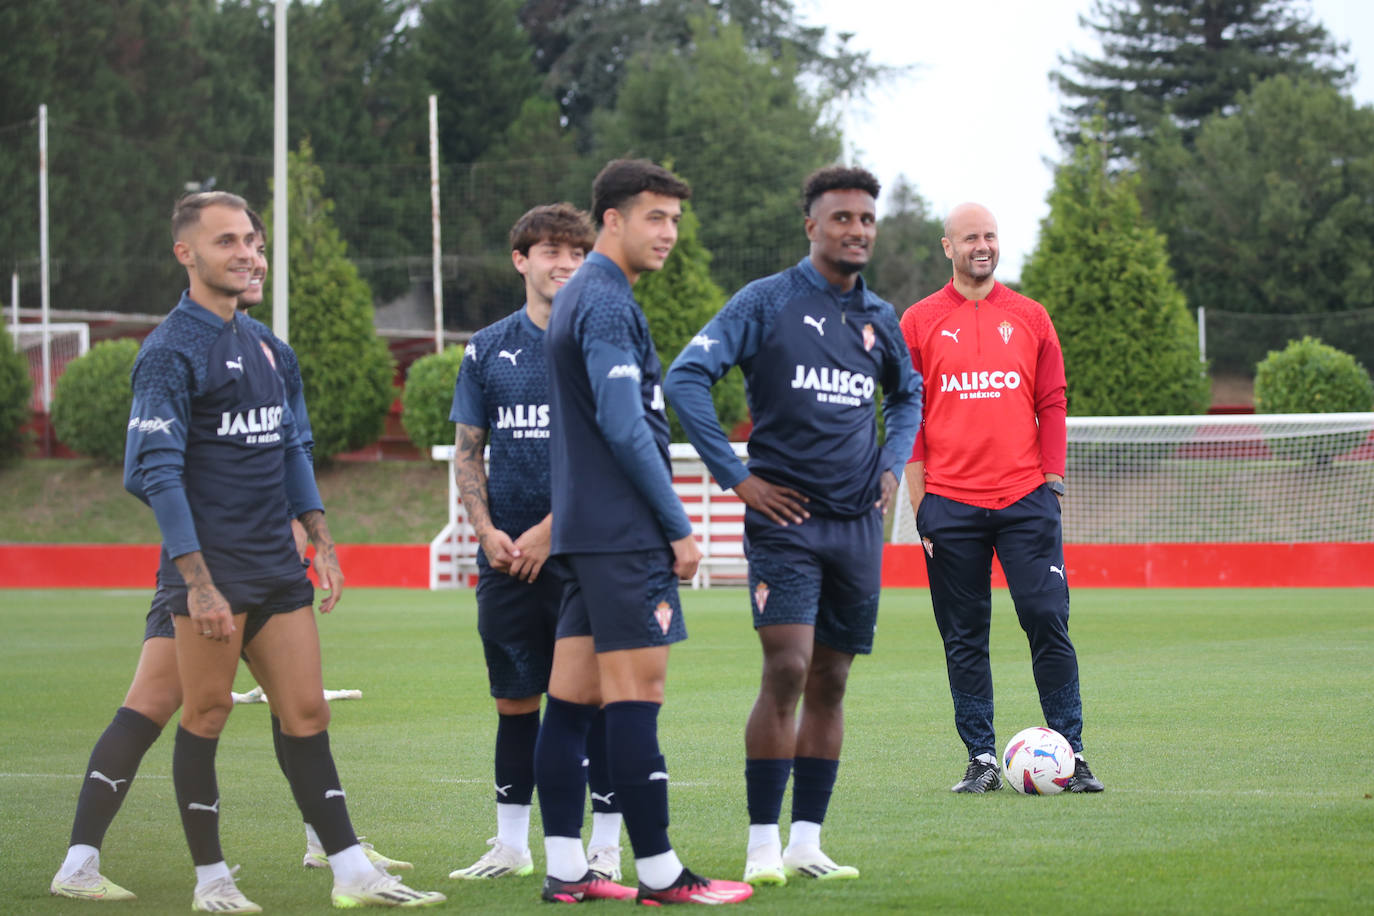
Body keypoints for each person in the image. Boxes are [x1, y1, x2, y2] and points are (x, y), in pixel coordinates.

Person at [48, 208, 409, 904]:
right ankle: (200, 879)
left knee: (302, 712)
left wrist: (321, 537)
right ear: (185, 252)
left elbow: (294, 447)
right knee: (187, 712)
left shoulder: (273, 348)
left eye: (253, 241)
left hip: (276, 568)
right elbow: (148, 472)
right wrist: (196, 578)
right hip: (206, 576)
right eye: (228, 242)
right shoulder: (168, 351)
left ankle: (349, 869)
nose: (248, 254)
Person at [664, 165, 923, 886]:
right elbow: (684, 378)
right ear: (811, 226)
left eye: (867, 219)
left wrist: (893, 464)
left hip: (858, 527)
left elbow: (909, 395)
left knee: (832, 680)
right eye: (842, 218)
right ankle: (759, 847)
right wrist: (737, 478)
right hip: (786, 523)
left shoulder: (881, 319)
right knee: (787, 668)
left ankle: (807, 842)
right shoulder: (767, 302)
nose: (857, 231)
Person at [536, 159, 752, 906]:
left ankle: (567, 868)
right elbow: (626, 427)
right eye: (656, 218)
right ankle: (661, 874)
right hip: (622, 535)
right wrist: (678, 524)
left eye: (676, 221)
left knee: (570, 702)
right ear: (614, 220)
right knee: (638, 696)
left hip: (587, 535)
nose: (669, 234)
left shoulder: (585, 297)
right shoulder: (603, 301)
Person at [898, 202, 1103, 795]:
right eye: (969, 238)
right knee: (964, 633)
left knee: (1046, 618)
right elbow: (907, 415)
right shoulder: (918, 321)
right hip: (950, 506)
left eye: (989, 235)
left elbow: (1053, 402)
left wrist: (1053, 478)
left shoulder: (1032, 317)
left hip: (1025, 501)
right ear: (948, 247)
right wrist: (921, 504)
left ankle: (1074, 751)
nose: (981, 245)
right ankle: (982, 759)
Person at [446, 203, 625, 882]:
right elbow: (470, 451)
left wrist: (552, 532)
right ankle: (511, 845)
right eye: (550, 251)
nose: (565, 264)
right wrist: (486, 531)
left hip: (584, 558)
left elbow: (616, 452)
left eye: (577, 253)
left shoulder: (600, 341)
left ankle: (605, 845)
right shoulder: (487, 347)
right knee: (515, 702)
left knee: (597, 703)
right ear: (521, 260)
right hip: (506, 560)